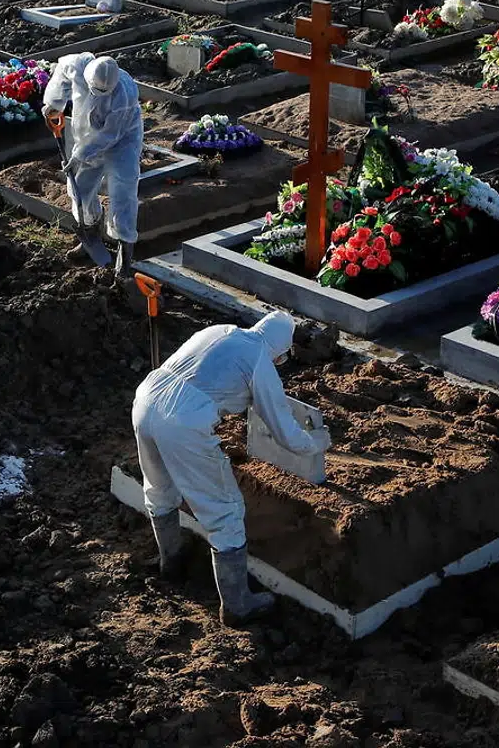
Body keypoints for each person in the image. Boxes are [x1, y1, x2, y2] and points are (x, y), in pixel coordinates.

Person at [131, 311, 316, 628]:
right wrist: (313, 445)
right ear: (280, 348)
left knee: (159, 488)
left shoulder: (220, 330)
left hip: (146, 399)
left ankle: (171, 562)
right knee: (225, 512)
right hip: (183, 420)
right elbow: (283, 429)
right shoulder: (259, 359)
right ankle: (237, 605)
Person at [43, 53, 143, 276]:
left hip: (123, 141)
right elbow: (61, 72)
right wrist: (54, 103)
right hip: (87, 137)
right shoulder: (78, 66)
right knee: (80, 188)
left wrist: (79, 156)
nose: (99, 95)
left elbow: (110, 135)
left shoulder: (125, 94)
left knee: (123, 190)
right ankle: (90, 232)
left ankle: (124, 251)